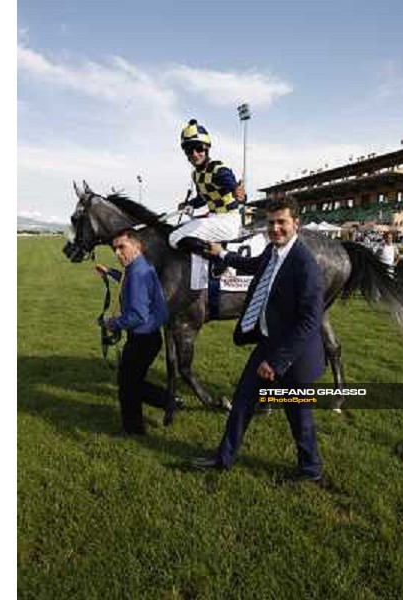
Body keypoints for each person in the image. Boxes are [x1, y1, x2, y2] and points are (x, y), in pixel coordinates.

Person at [190, 197, 328, 484]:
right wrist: (223, 254)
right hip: (268, 343)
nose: (275, 228)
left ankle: (311, 470)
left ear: (296, 224)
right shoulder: (272, 251)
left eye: (282, 223)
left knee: (298, 417)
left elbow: (310, 322)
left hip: (294, 355)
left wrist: (277, 362)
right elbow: (252, 264)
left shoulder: (306, 266)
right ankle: (223, 458)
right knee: (242, 402)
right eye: (271, 222)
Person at [96, 229, 177, 435]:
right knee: (132, 381)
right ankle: (169, 400)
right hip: (149, 337)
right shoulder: (139, 267)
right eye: (115, 248)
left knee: (127, 385)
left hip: (142, 338)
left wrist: (111, 323)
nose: (117, 252)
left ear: (137, 246)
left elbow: (136, 316)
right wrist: (110, 272)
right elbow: (127, 281)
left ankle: (134, 431)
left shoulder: (138, 274)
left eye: (122, 247)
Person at [168, 119, 245, 258]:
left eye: (199, 148)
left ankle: (218, 259)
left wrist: (239, 194)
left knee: (174, 238)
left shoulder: (219, 170)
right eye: (189, 150)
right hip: (213, 219)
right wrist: (188, 204)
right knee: (179, 229)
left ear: (207, 148)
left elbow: (237, 192)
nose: (195, 154)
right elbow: (202, 199)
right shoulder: (196, 174)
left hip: (228, 222)